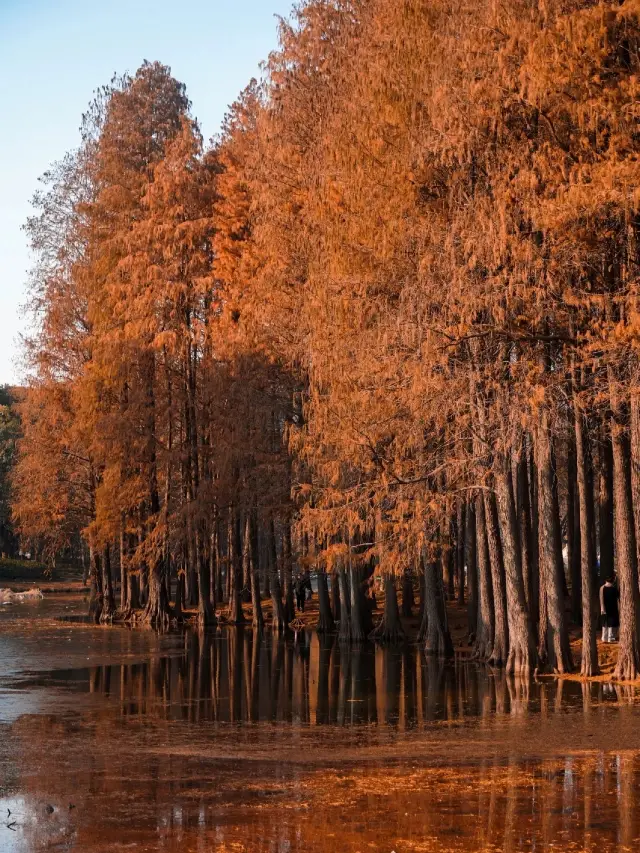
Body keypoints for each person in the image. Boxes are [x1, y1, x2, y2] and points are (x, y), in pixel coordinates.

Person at [600, 574, 620, 643]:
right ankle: (610, 638)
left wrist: (602, 608)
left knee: (605, 624)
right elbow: (618, 596)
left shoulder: (602, 588)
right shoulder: (614, 588)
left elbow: (601, 598)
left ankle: (604, 638)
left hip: (604, 608)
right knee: (611, 624)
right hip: (612, 608)